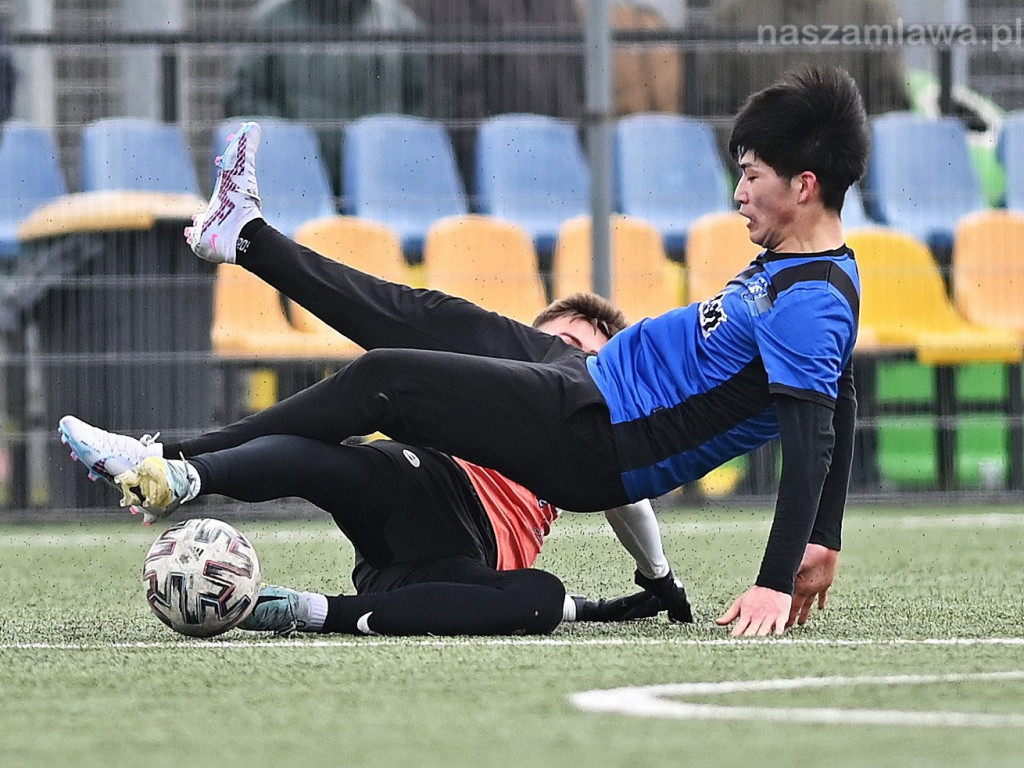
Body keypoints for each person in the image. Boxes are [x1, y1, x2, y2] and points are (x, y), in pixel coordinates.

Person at [104, 64, 868, 637]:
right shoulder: (796, 266)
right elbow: (844, 397)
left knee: (386, 380)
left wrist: (775, 578)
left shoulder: (812, 298)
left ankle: (172, 462)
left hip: (596, 433)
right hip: (587, 383)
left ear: (804, 186)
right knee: (422, 318)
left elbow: (815, 433)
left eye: (751, 174)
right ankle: (242, 235)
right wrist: (823, 541)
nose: (738, 191)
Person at [61, 287, 693, 635]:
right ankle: (178, 473)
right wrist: (659, 581)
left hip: (447, 571)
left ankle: (302, 610)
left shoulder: (594, 426)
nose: (557, 358)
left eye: (577, 350)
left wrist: (645, 589)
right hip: (429, 488)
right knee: (345, 465)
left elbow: (625, 495)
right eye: (550, 341)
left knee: (541, 598)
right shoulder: (499, 396)